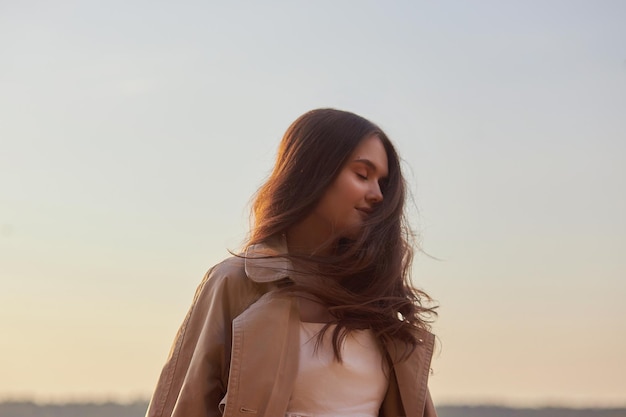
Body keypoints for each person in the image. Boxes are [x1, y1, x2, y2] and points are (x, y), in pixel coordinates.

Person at [145, 108, 438, 417]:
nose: (377, 194)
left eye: (382, 182)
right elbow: (187, 405)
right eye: (362, 175)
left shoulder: (376, 296)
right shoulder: (237, 282)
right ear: (314, 171)